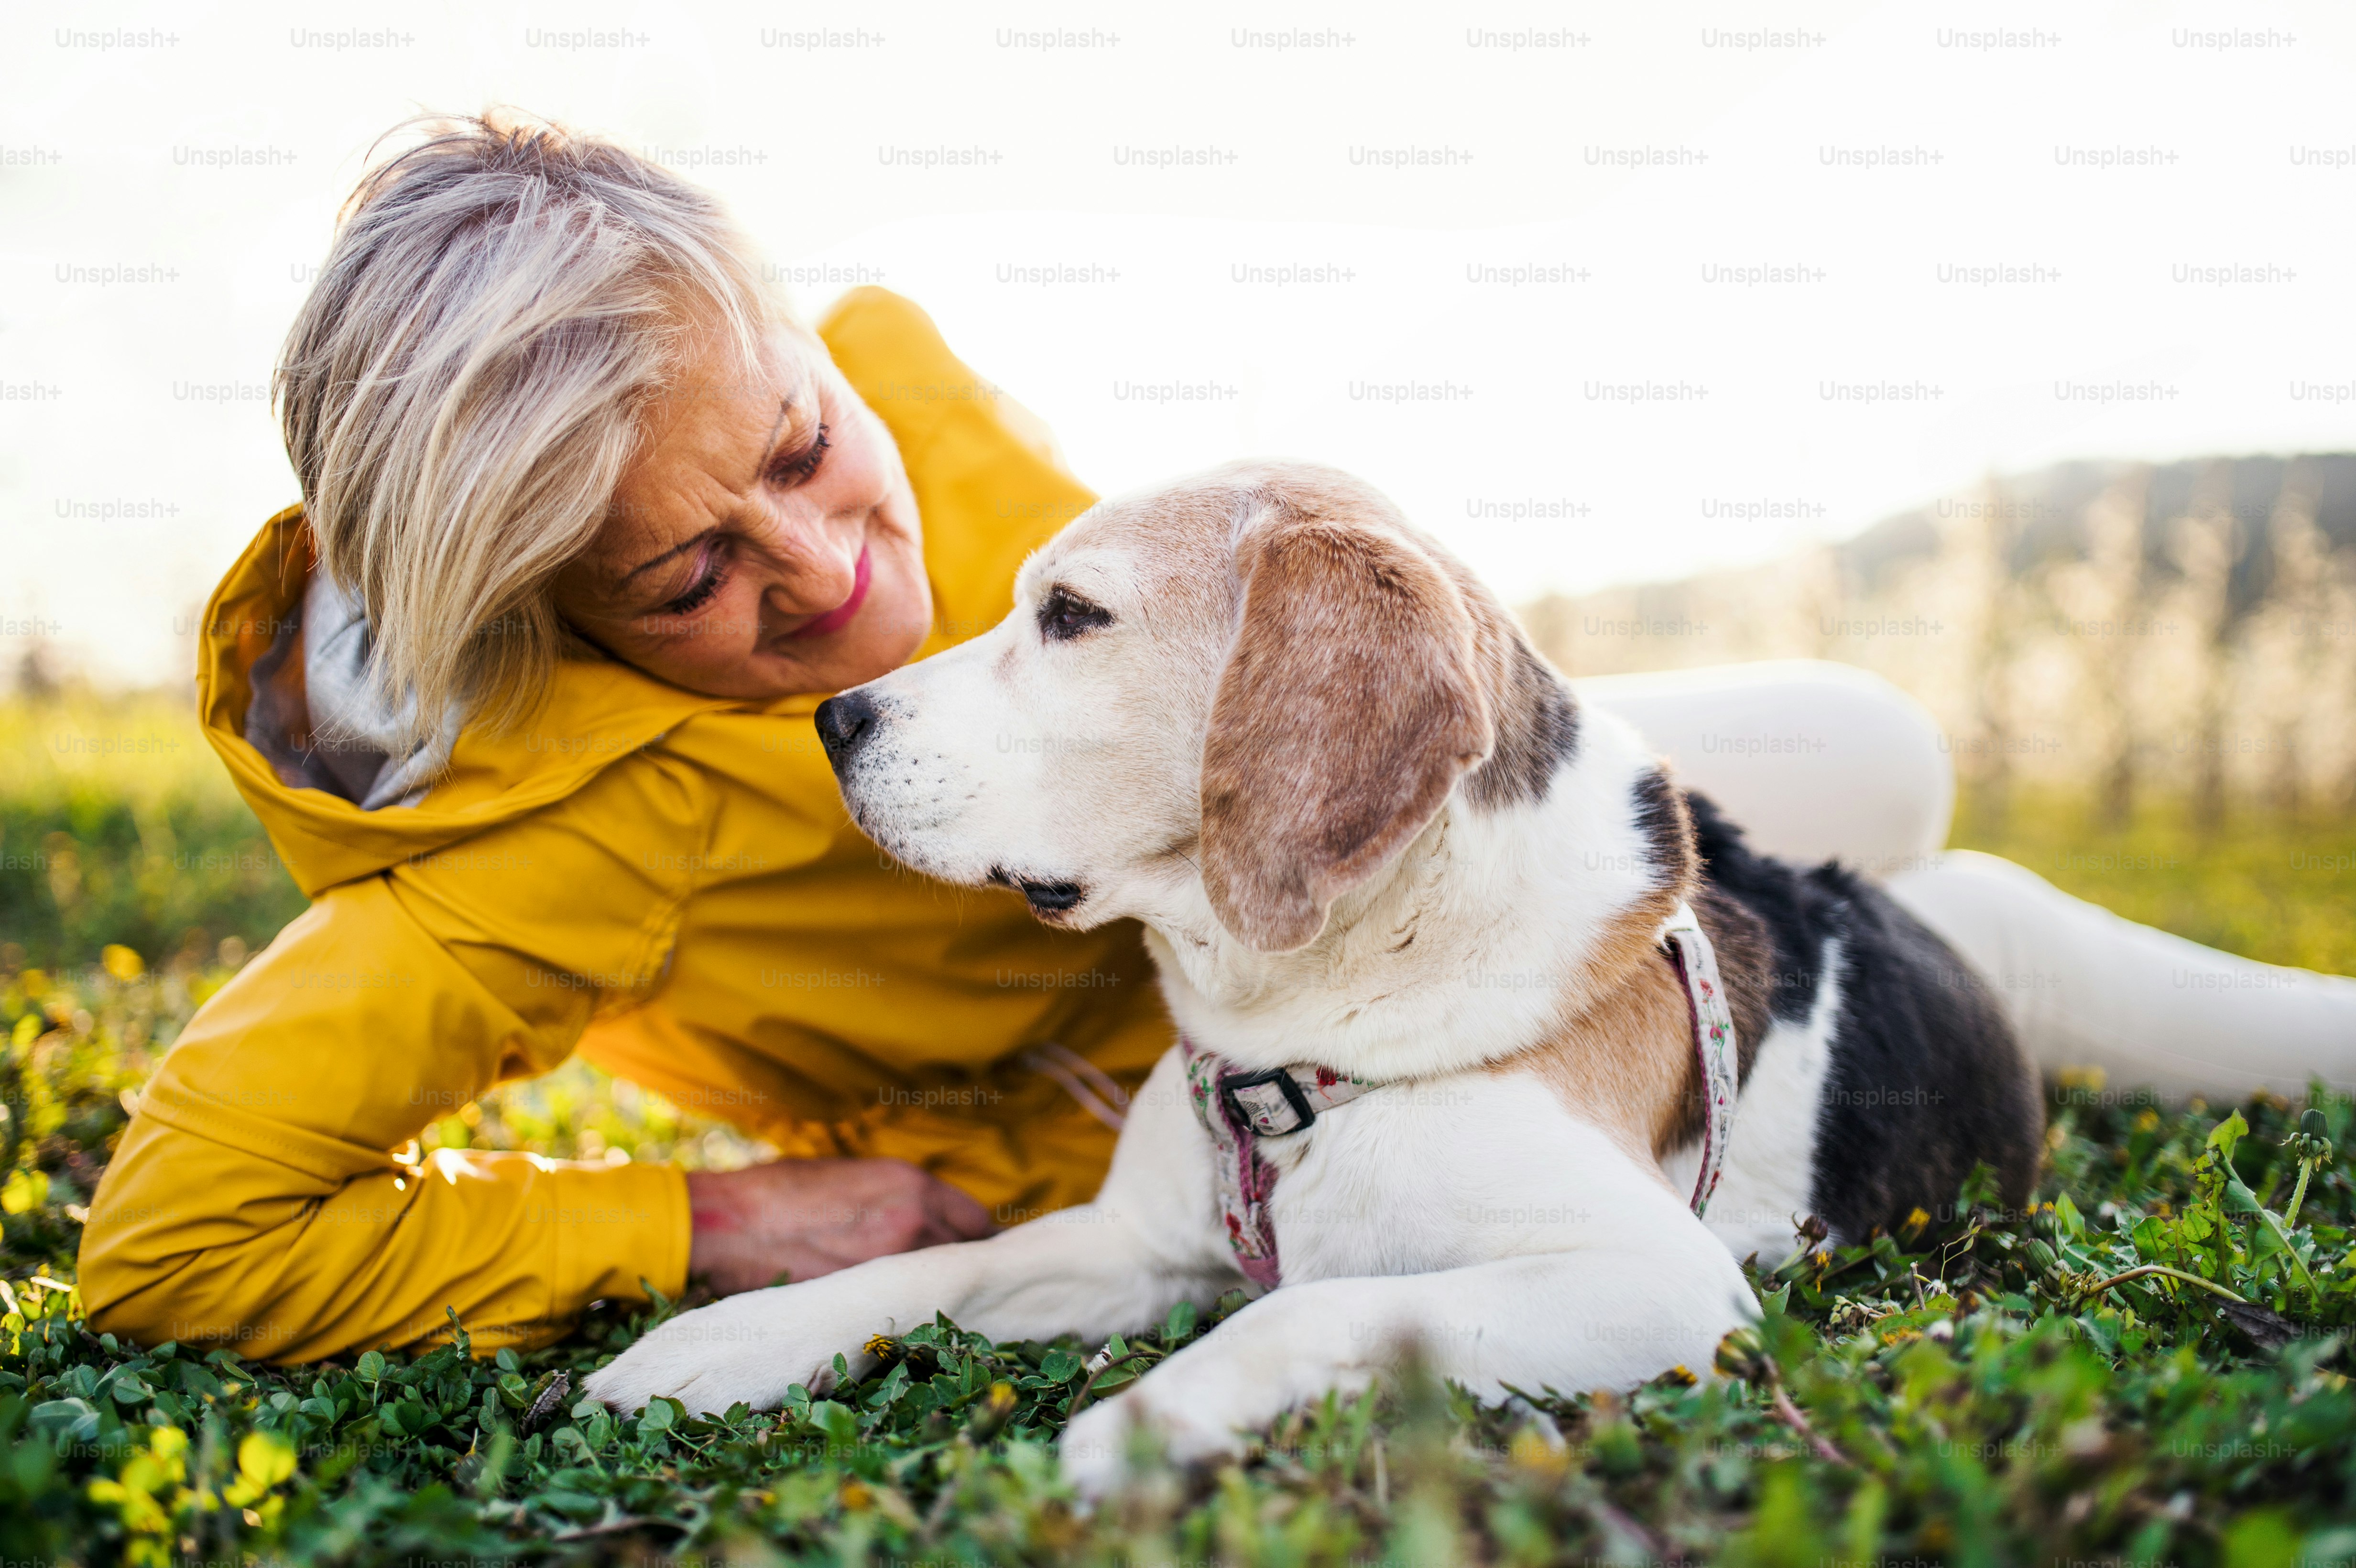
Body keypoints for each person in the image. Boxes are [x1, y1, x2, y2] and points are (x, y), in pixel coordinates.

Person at [77, 113, 2356, 1363]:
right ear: (548, 621)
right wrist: (712, 1217)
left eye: (799, 439)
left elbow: (1201, 655)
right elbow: (169, 1239)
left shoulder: (907, 376)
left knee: (1875, 777)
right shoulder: (526, 853)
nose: (830, 567)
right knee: (1859, 884)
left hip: (1321, 932)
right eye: (691, 582)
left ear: (792, 333)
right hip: (1143, 1092)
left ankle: (2241, 1026)